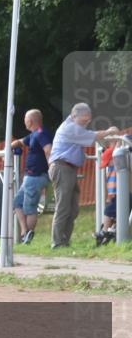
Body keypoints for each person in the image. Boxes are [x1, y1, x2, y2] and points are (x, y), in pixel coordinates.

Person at [47, 103, 118, 249]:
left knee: (73, 209)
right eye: (84, 120)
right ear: (74, 117)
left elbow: (93, 138)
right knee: (63, 207)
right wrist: (109, 131)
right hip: (62, 168)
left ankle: (64, 241)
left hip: (68, 169)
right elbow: (94, 136)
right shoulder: (71, 128)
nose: (86, 123)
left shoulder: (75, 128)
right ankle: (57, 242)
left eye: (88, 121)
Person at [10, 109, 53, 244]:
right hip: (30, 177)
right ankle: (25, 231)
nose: (24, 122)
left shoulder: (41, 134)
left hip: (36, 176)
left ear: (30, 121)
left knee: (29, 208)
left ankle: (27, 237)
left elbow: (48, 150)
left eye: (25, 119)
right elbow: (21, 142)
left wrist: (51, 169)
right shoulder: (33, 135)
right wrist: (11, 146)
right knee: (17, 203)